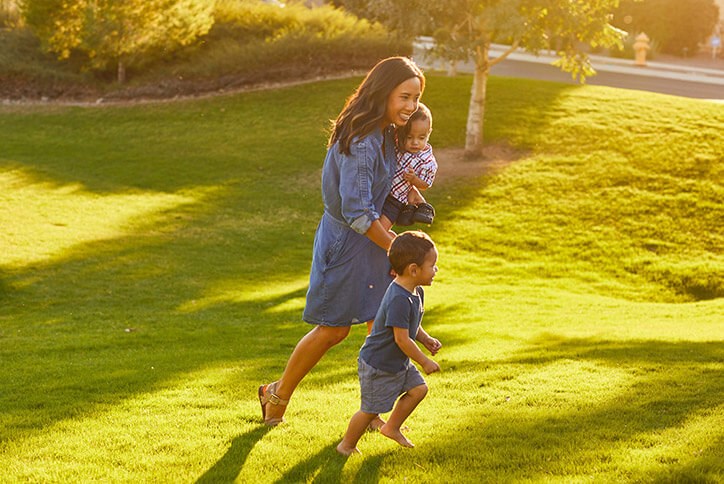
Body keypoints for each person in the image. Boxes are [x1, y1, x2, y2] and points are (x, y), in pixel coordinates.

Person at [258, 57, 425, 426]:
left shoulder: (385, 132)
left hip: (374, 240)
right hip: (347, 244)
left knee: (381, 329)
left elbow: (384, 191)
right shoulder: (363, 140)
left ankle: (375, 415)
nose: (411, 107)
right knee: (333, 330)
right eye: (405, 97)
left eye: (416, 99)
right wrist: (397, 248)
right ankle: (276, 394)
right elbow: (356, 213)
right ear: (383, 92)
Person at [337, 231, 442, 456]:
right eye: (432, 265)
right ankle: (346, 445)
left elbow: (412, 325)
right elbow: (401, 339)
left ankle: (391, 427)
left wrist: (426, 340)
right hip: (378, 364)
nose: (436, 270)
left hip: (396, 362)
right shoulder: (398, 298)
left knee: (418, 389)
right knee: (369, 410)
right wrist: (424, 361)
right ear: (413, 270)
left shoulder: (416, 292)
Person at [380, 103, 438, 228]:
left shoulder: (427, 161)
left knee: (381, 228)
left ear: (429, 133)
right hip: (380, 190)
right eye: (409, 137)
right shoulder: (397, 143)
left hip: (396, 200)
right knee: (369, 225)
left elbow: (425, 184)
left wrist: (413, 179)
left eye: (421, 137)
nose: (415, 142)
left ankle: (389, 242)